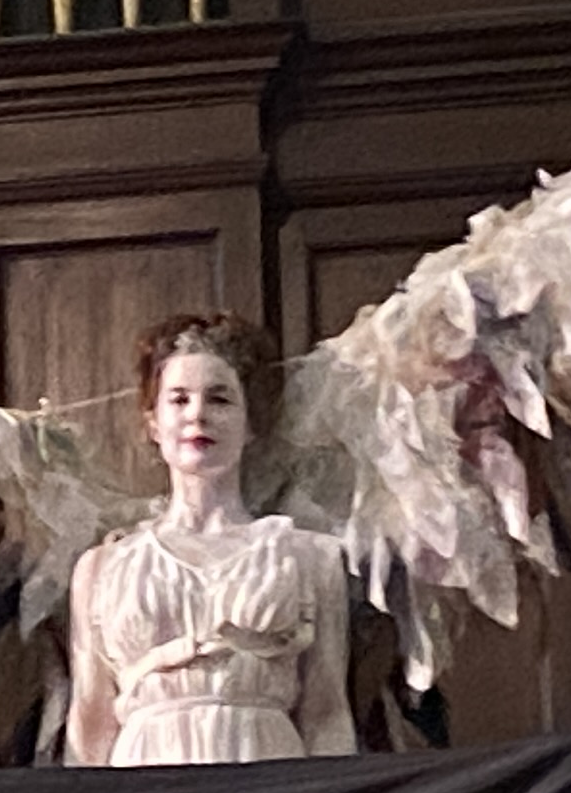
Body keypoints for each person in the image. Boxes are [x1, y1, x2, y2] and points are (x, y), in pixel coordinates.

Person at [66, 310, 360, 767]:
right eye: (179, 400)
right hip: (147, 782)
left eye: (219, 399)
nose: (198, 414)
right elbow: (90, 723)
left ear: (251, 423)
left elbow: (326, 714)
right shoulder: (103, 569)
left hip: (267, 775)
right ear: (153, 424)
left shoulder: (310, 559)